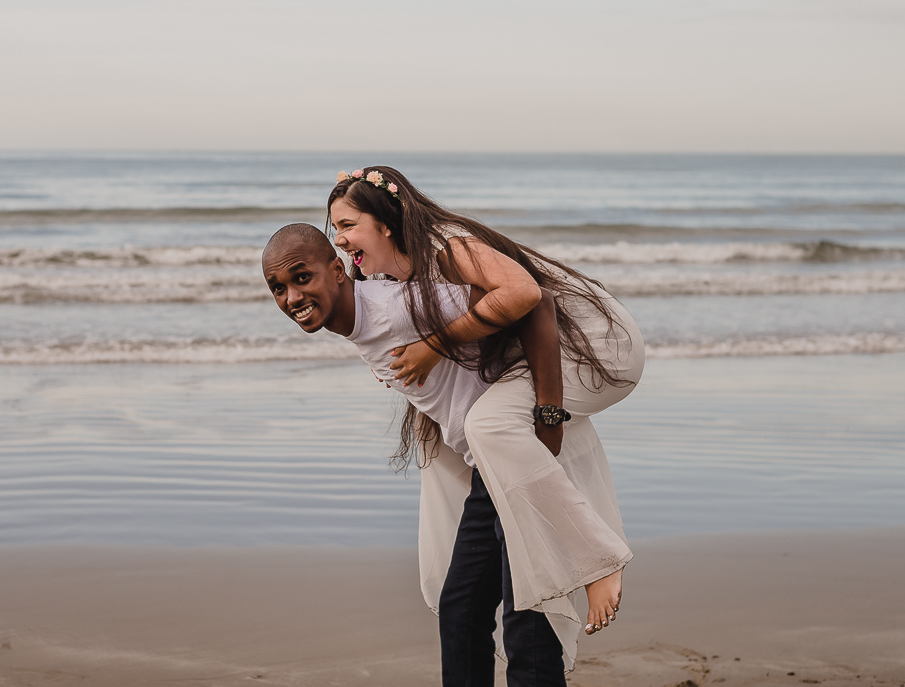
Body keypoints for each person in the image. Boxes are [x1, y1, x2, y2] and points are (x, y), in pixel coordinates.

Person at [263, 213, 640, 685]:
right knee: (461, 612)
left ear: (337, 270)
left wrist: (548, 419)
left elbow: (533, 302)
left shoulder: (397, 306)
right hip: (487, 470)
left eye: (302, 278)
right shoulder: (364, 321)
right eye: (278, 288)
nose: (292, 297)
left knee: (529, 620)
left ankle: (599, 561)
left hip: (515, 458)